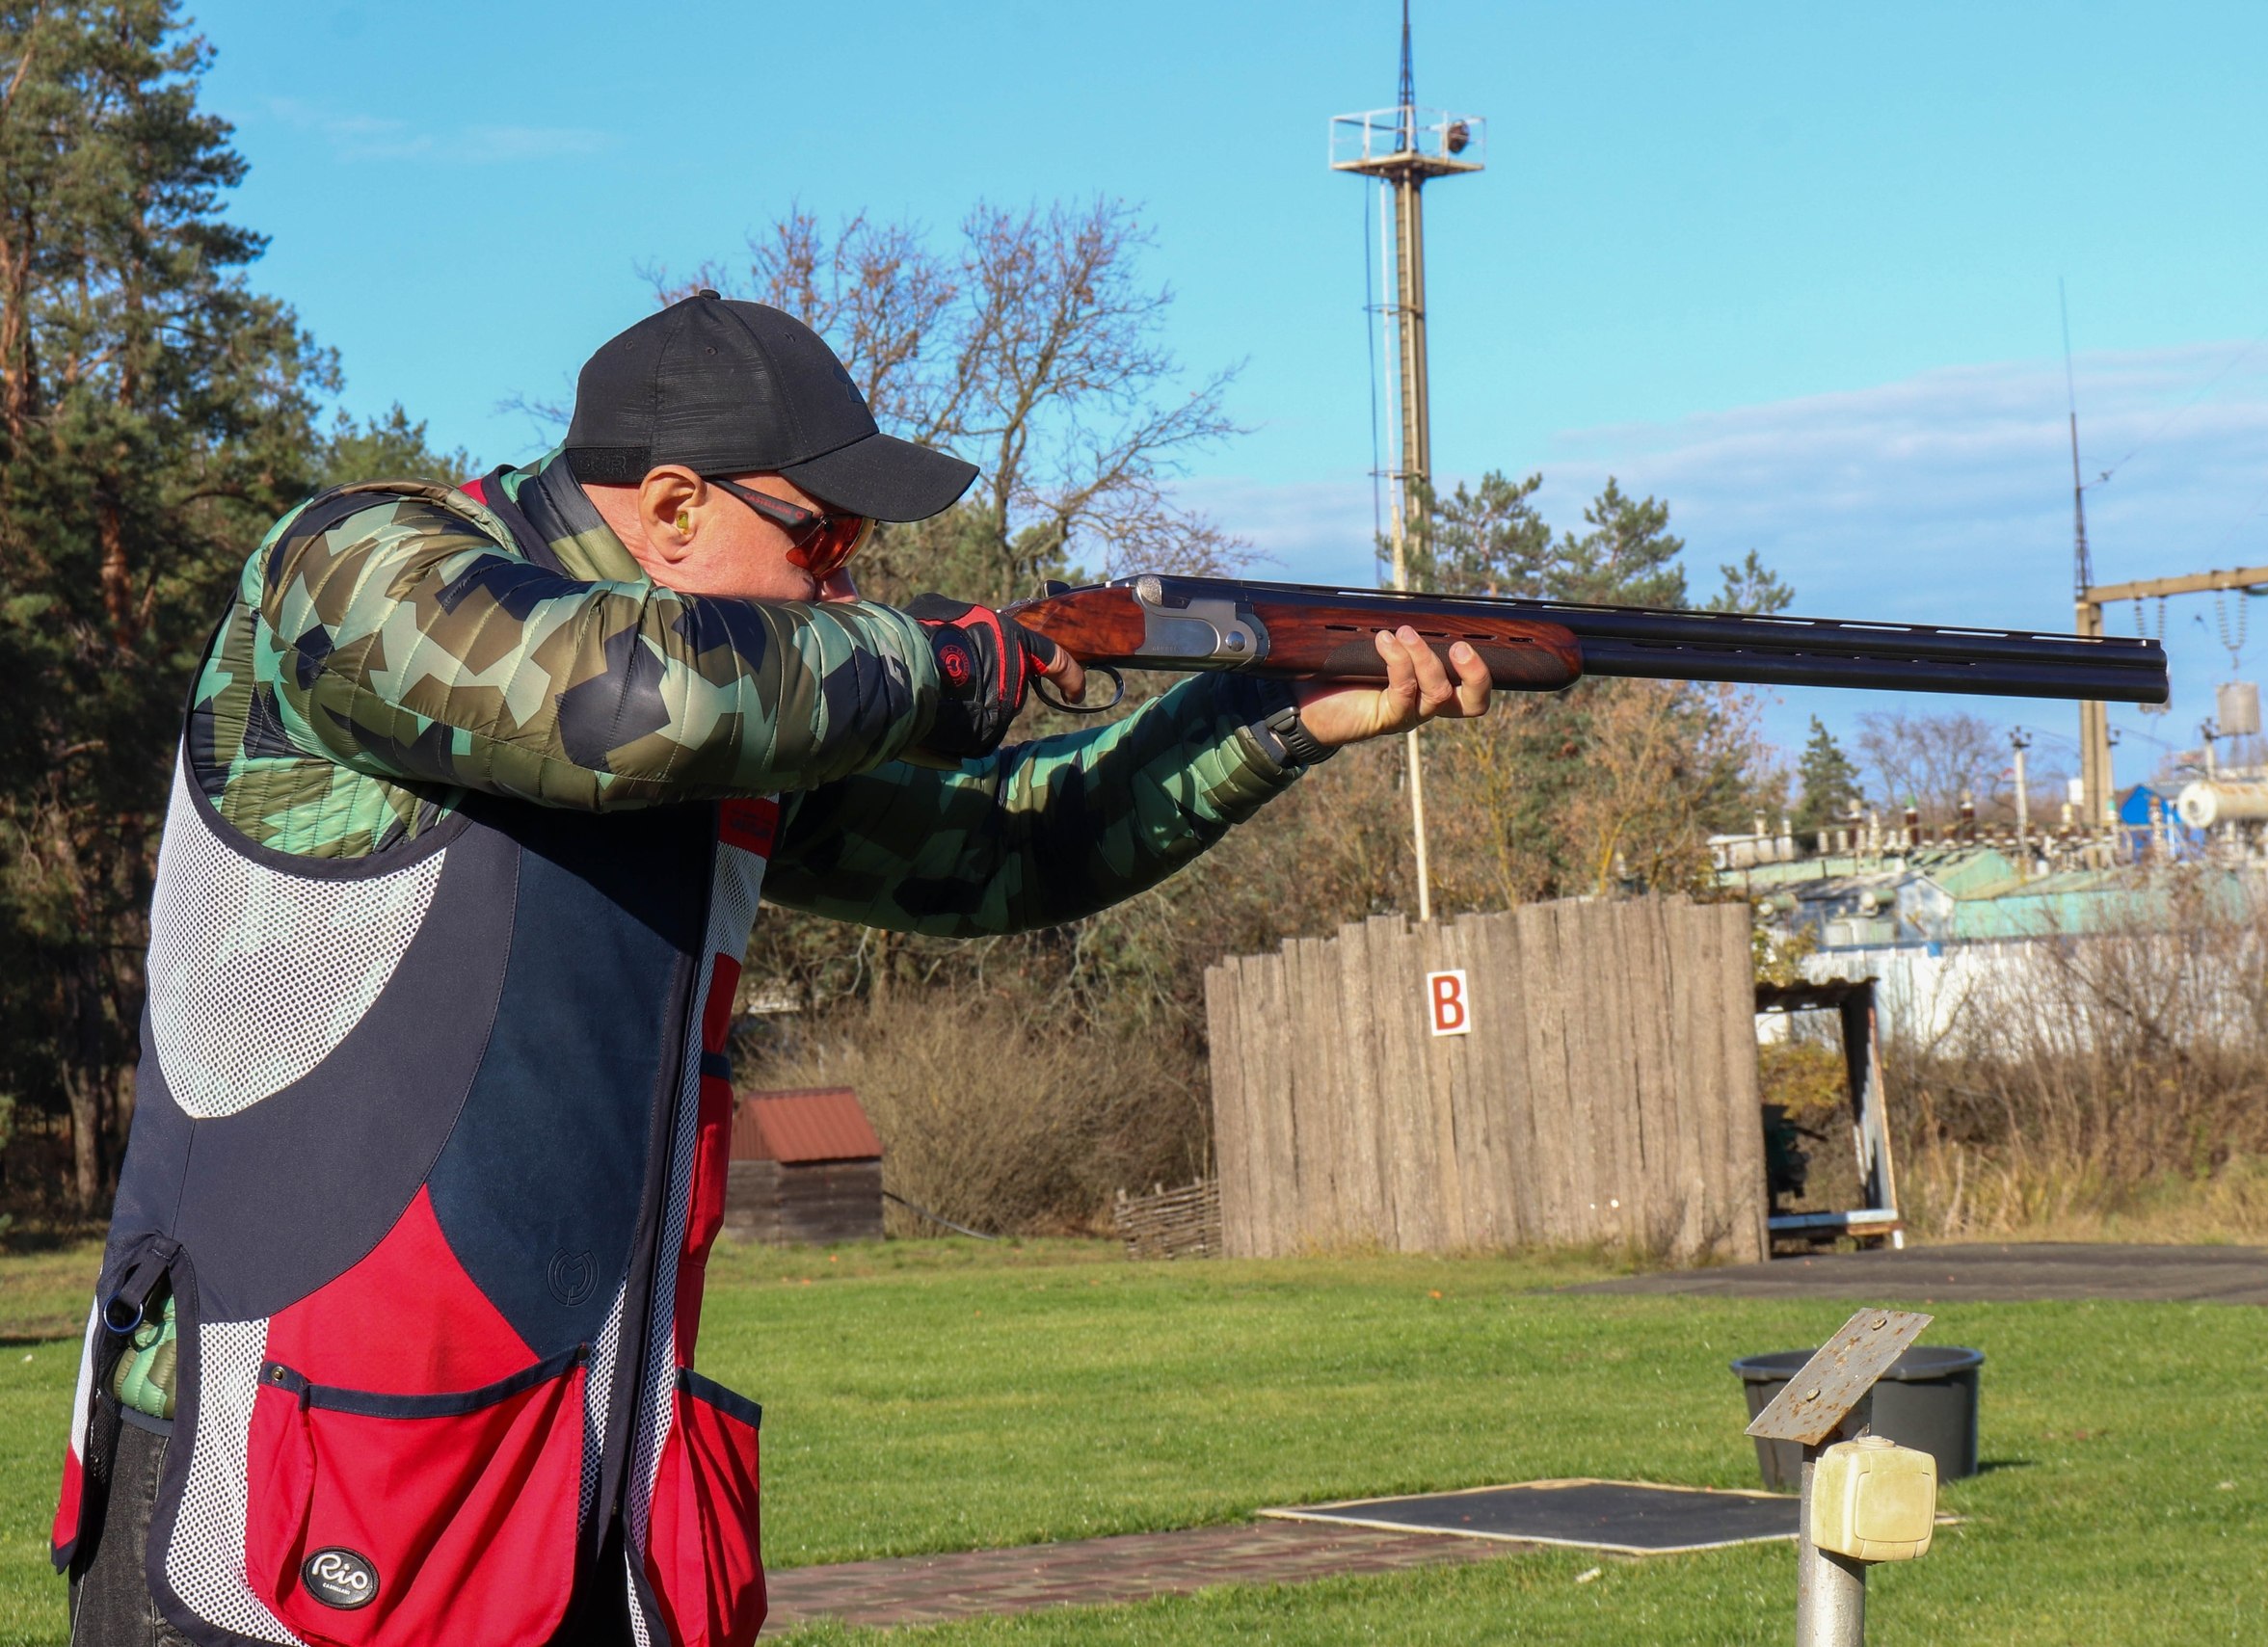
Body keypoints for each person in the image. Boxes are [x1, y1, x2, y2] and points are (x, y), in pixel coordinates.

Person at [52, 292, 1492, 1647]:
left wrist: (1273, 720)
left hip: (560, 1510)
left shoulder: (736, 723)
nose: (848, 584)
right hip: (258, 1524)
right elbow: (623, 701)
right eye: (824, 538)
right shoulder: (357, 566)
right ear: (674, 507)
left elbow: (1009, 846)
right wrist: (947, 666)